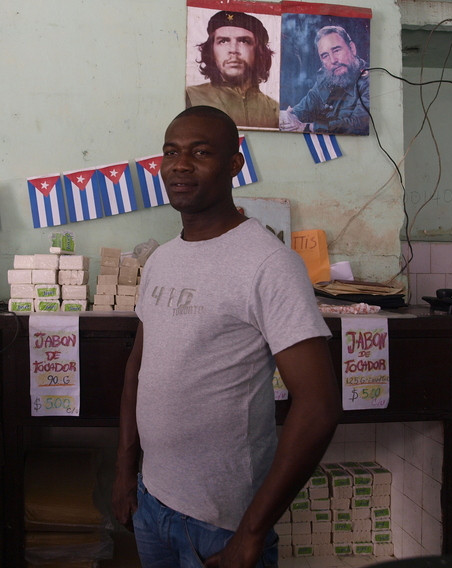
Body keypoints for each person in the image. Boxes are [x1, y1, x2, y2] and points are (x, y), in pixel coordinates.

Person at [112, 105, 341, 567]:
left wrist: (251, 533)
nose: (180, 165)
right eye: (171, 152)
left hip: (221, 525)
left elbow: (318, 406)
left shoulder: (268, 263)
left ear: (235, 164)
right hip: (151, 502)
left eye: (200, 152)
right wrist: (125, 469)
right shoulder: (162, 259)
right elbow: (139, 368)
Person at [186, 11, 279, 129]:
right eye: (223, 41)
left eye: (244, 41)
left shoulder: (274, 110)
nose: (233, 50)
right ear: (211, 51)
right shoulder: (190, 97)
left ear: (259, 51)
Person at [279, 25, 369, 135]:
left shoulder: (369, 81)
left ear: (352, 48)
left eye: (336, 50)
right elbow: (304, 108)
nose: (333, 60)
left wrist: (309, 127)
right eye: (325, 56)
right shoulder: (326, 79)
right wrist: (288, 116)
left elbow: (359, 124)